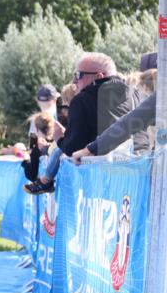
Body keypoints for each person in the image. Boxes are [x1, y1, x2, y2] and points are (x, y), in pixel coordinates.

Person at [26, 52, 145, 194]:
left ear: (99, 76)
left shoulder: (83, 100)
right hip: (138, 176)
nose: (74, 81)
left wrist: (59, 138)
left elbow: (72, 148)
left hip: (100, 182)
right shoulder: (136, 94)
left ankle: (45, 182)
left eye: (79, 75)